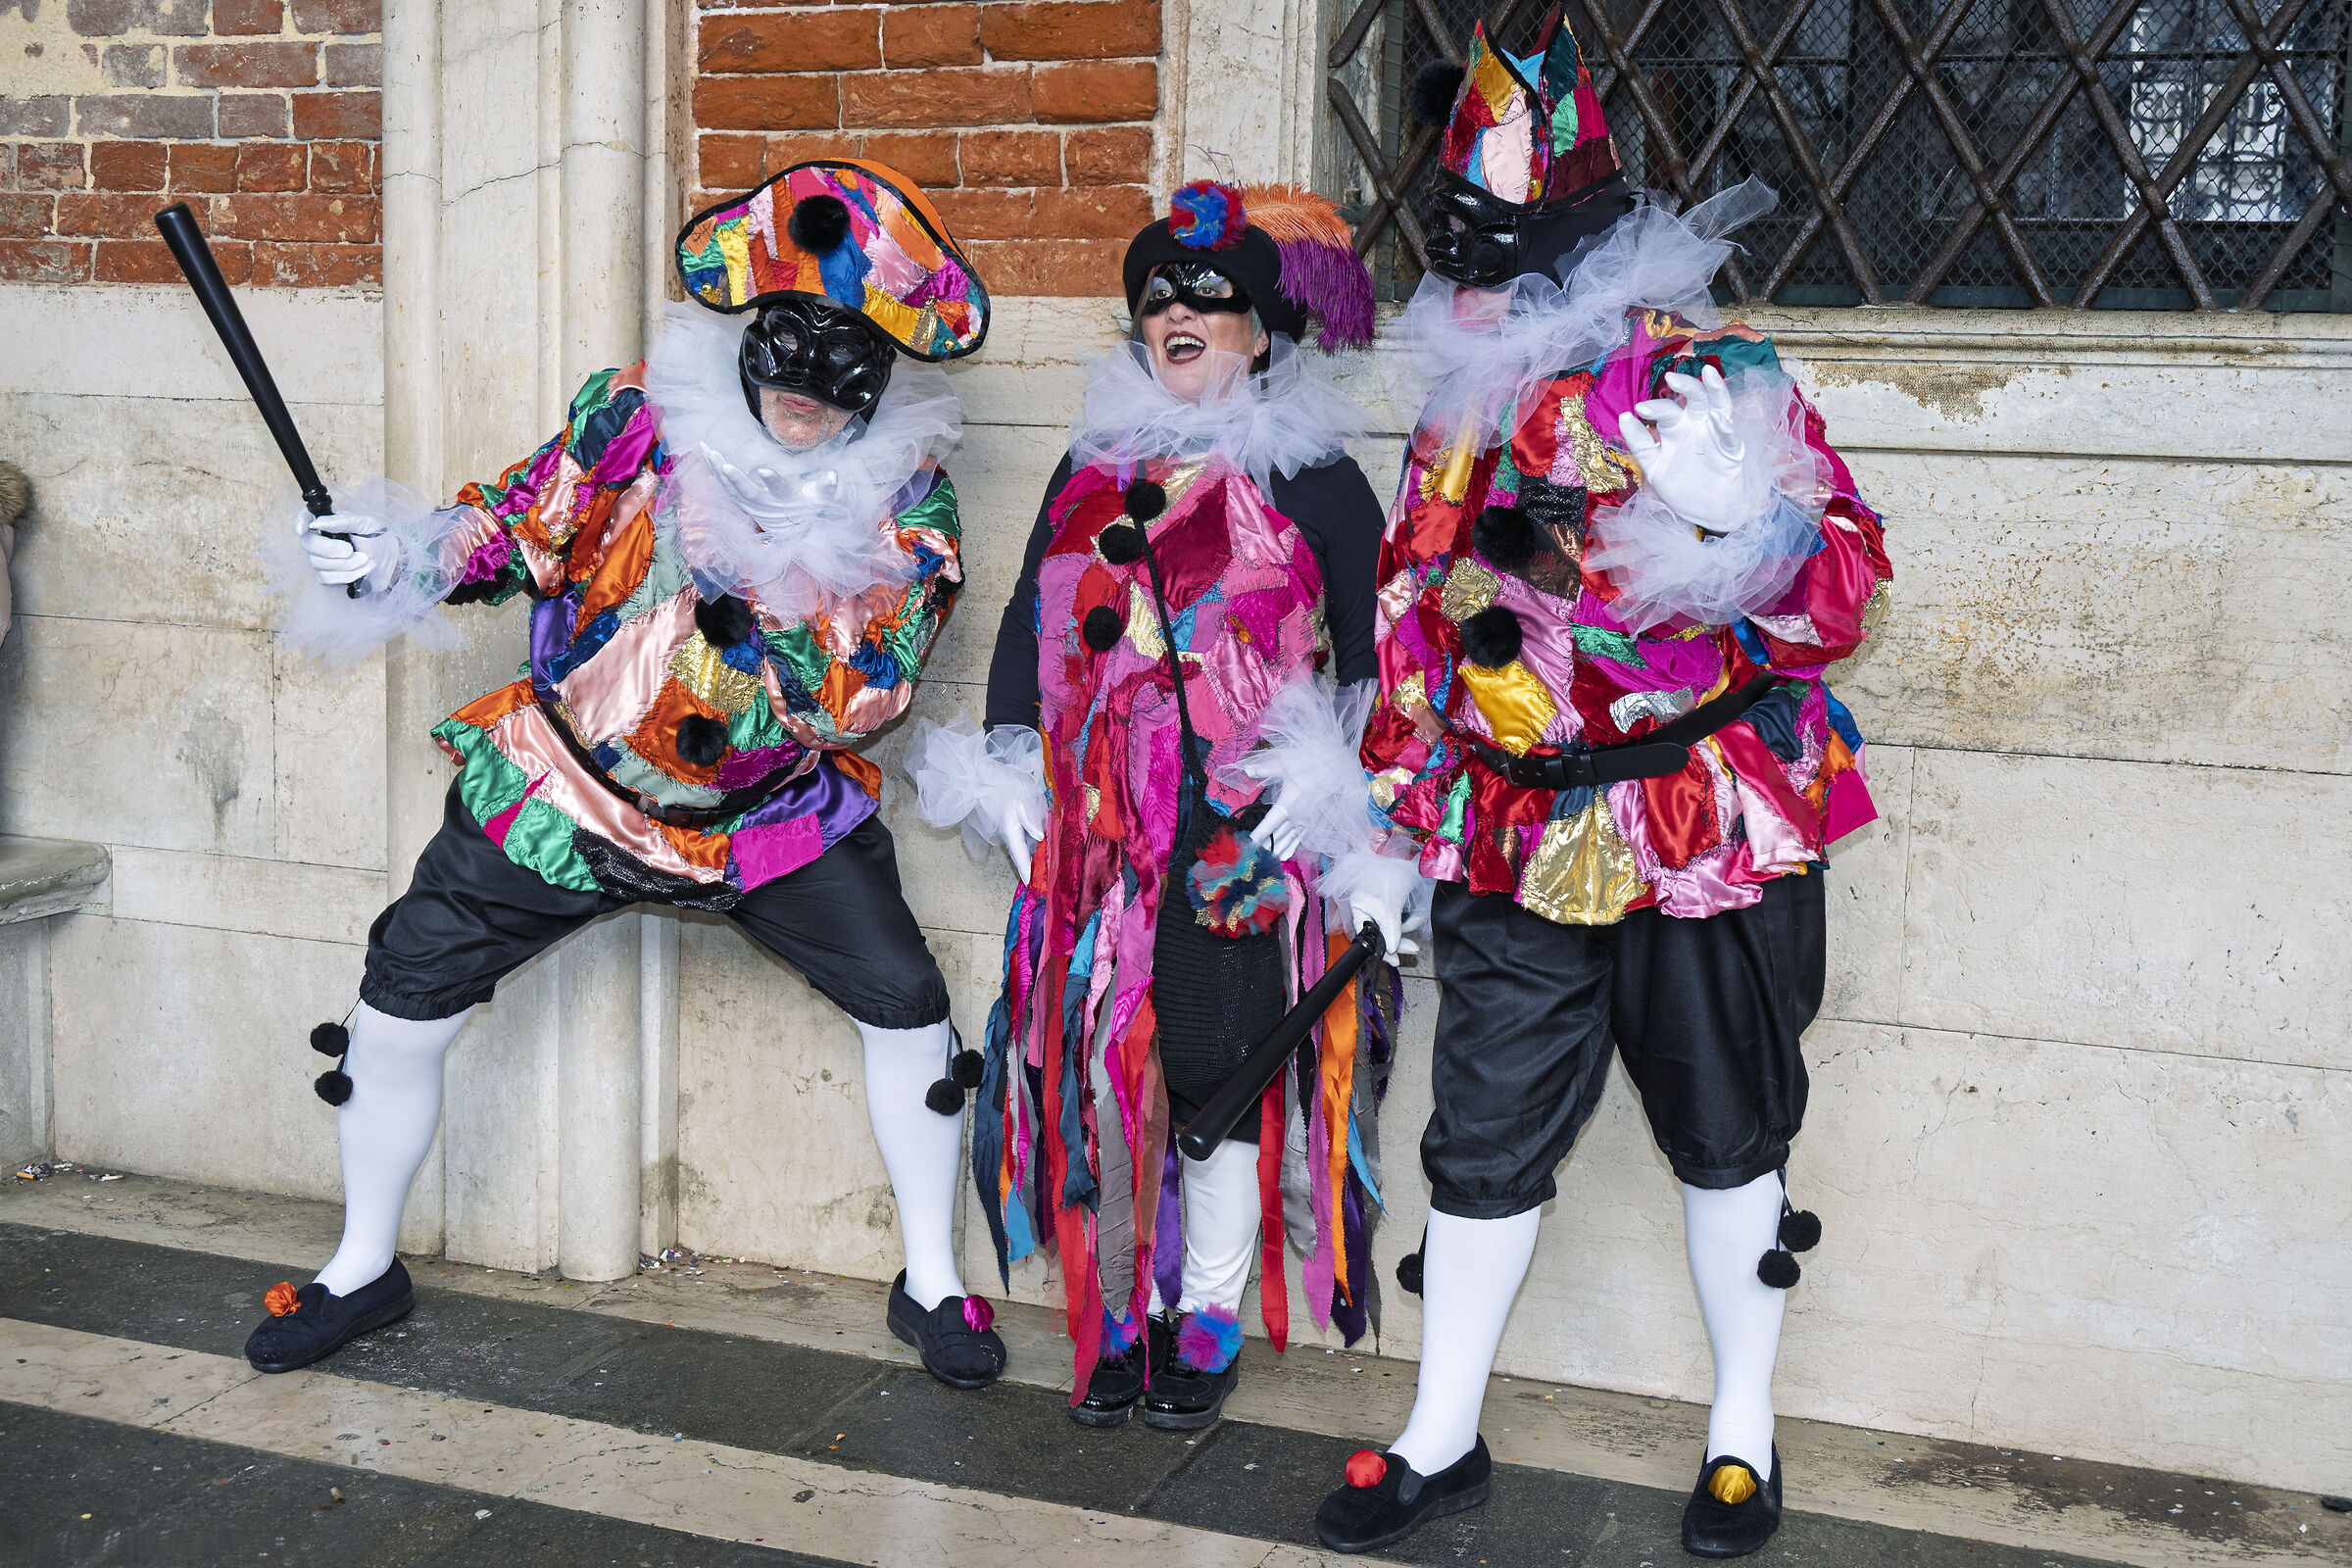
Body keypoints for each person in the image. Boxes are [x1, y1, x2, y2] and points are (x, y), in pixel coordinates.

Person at [240, 160, 1010, 1392]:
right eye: (788, 357)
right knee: (399, 991)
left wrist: (771, 578)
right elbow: (518, 522)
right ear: (753, 337)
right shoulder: (643, 421)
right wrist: (400, 554)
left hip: (770, 823)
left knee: (908, 1002)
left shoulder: (908, 507)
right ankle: (359, 1264)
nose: (803, 399)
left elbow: (864, 701)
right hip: (569, 792)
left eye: (839, 373)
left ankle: (932, 1282)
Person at [1312, 8, 1893, 1557]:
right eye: (1466, 263)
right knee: (1484, 1130)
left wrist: (1742, 530)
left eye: (1512, 260)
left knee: (1727, 1126)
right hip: (1508, 826)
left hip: (1692, 821)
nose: (1483, 292)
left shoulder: (1710, 381)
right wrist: (1380, 820)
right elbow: (1409, 618)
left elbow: (1839, 595)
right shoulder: (1458, 407)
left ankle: (1741, 1432)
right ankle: (1443, 1433)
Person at [907, 179, 1417, 1432]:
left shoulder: (1320, 484)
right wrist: (1011, 763)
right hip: (1099, 840)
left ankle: (1207, 1312)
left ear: (1258, 328)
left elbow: (1386, 666)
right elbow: (1035, 616)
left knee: (1214, 1075)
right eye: (1158, 299)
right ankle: (1120, 1315)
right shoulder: (1091, 468)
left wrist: (1343, 795)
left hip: (1235, 843)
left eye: (1209, 296)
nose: (1178, 311)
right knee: (1096, 1073)